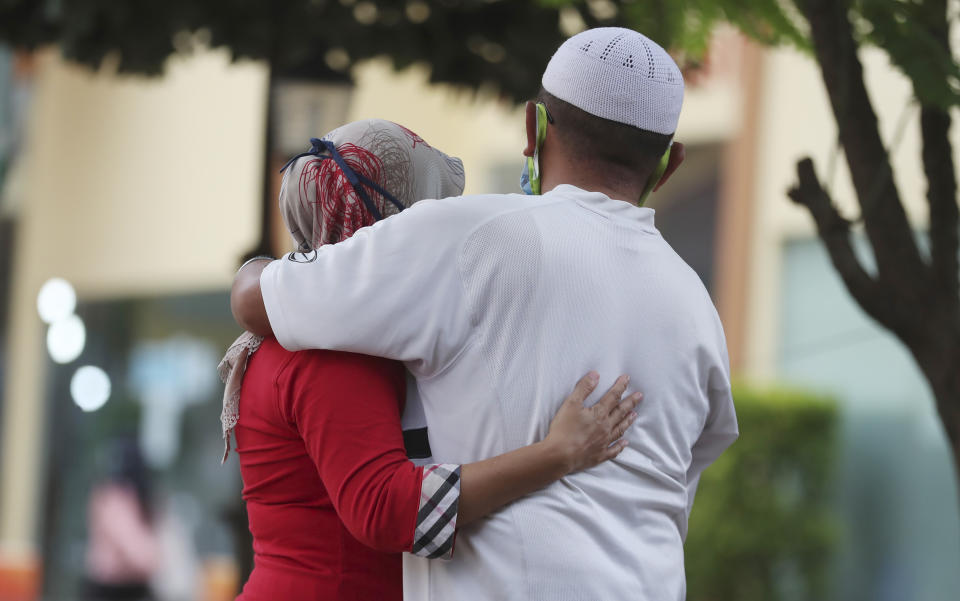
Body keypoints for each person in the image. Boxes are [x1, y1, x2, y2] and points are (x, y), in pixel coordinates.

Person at [232, 28, 738, 601]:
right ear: (669, 165)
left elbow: (261, 300)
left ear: (533, 128)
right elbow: (681, 482)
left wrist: (256, 266)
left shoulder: (469, 236)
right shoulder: (699, 308)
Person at [219, 119, 641, 601]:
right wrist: (557, 454)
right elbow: (385, 510)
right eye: (425, 211)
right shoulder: (331, 348)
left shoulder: (307, 324)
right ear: (389, 221)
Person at [82, 437, 158, 601]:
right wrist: (154, 559)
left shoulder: (134, 499)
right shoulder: (112, 498)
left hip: (131, 589)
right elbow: (135, 551)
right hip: (109, 589)